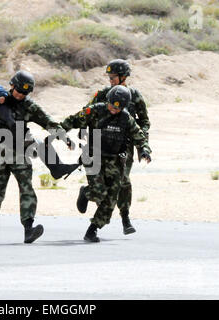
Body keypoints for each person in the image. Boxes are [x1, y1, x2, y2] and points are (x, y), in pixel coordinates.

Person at [0, 71, 70, 243]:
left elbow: (48, 121)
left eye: (24, 93)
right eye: (18, 91)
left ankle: (29, 228)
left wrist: (65, 138)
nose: (20, 95)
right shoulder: (1, 100)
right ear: (12, 86)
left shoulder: (29, 106)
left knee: (26, 189)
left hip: (21, 152)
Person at [60, 85, 152, 242]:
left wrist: (145, 150)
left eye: (118, 108)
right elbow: (72, 120)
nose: (113, 110)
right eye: (111, 105)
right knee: (99, 192)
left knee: (110, 199)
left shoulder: (126, 118)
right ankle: (86, 193)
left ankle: (92, 230)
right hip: (93, 156)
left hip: (114, 160)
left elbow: (140, 136)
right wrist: (58, 134)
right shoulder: (95, 110)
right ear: (107, 100)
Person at [85, 59, 151, 234]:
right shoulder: (102, 94)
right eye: (109, 77)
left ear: (124, 77)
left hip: (124, 146)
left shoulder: (134, 95)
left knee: (124, 181)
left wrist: (142, 141)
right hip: (102, 145)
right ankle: (90, 196)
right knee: (104, 185)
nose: (110, 80)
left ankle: (125, 217)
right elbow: (87, 113)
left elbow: (144, 121)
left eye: (114, 77)